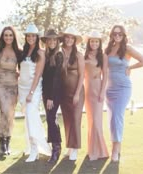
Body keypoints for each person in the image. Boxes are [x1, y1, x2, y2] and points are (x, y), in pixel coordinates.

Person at [105, 25, 143, 162]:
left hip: (123, 88)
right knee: (112, 119)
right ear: (111, 35)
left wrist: (130, 67)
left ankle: (115, 150)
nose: (117, 36)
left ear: (124, 36)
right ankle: (116, 146)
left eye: (120, 34)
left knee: (117, 117)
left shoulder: (127, 49)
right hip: (109, 89)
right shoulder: (107, 49)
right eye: (115, 33)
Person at [18, 23, 51, 162]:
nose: (30, 38)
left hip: (34, 89)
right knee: (28, 118)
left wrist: (31, 92)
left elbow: (38, 74)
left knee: (32, 116)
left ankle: (35, 149)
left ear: (37, 37)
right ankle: (31, 145)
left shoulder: (40, 52)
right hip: (22, 88)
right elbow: (22, 71)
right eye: (28, 35)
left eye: (33, 35)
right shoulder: (24, 51)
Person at [0, 26, 22, 155]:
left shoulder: (19, 51)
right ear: (2, 36)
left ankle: (6, 142)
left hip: (13, 86)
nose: (8, 37)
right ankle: (2, 140)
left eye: (10, 35)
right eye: (6, 35)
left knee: (9, 113)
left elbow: (24, 68)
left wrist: (19, 74)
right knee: (5, 109)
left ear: (14, 37)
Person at [60, 27, 85, 161]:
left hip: (77, 92)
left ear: (75, 40)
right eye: (67, 37)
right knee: (67, 120)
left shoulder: (79, 55)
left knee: (75, 119)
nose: (69, 39)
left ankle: (75, 148)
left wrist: (77, 94)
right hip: (63, 92)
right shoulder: (59, 53)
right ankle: (69, 146)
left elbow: (82, 76)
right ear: (64, 38)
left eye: (72, 38)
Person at [84, 30, 109, 161]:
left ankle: (100, 151)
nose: (94, 43)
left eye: (96, 41)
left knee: (97, 121)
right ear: (89, 43)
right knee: (90, 120)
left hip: (98, 88)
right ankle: (91, 150)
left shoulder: (103, 56)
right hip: (88, 89)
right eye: (92, 41)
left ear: (99, 43)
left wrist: (102, 92)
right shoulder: (85, 56)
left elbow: (105, 75)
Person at [40, 29, 63, 163]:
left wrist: (51, 97)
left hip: (54, 93)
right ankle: (56, 145)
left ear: (57, 41)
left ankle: (56, 148)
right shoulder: (46, 55)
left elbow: (57, 78)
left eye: (55, 40)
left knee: (51, 118)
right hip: (45, 92)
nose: (52, 42)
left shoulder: (59, 55)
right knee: (50, 118)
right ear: (46, 42)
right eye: (50, 40)